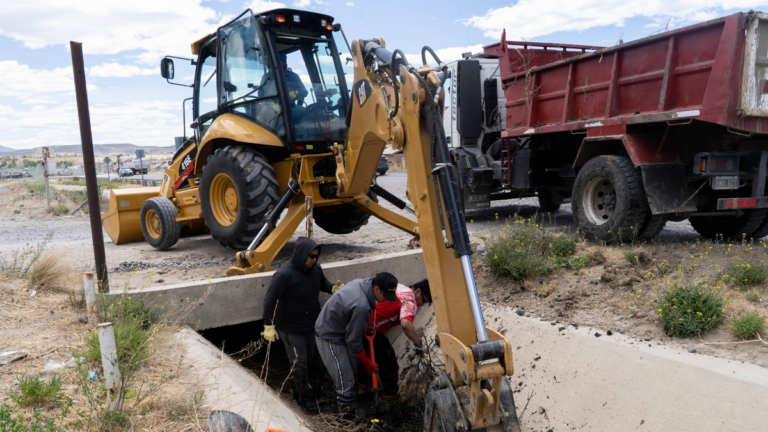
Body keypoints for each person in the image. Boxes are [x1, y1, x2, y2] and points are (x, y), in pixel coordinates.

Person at [262, 237, 341, 413]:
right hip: (291, 328)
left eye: (316, 257)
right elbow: (269, 300)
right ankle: (302, 398)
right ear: (301, 255)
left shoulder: (315, 269)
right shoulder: (284, 275)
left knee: (310, 359)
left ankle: (301, 387)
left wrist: (333, 288)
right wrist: (268, 324)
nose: (314, 260)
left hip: (310, 325)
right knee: (300, 363)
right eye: (311, 256)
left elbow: (323, 284)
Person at [314, 272, 399, 417]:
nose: (385, 300)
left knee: (348, 374)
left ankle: (342, 408)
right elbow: (353, 341)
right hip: (329, 336)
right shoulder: (361, 306)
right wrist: (367, 363)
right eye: (385, 296)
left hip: (340, 330)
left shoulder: (362, 283)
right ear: (377, 289)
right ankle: (344, 421)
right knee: (346, 382)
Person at [358, 279, 432, 403]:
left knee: (367, 358)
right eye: (424, 300)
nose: (422, 304)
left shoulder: (400, 287)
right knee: (389, 362)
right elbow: (406, 324)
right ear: (417, 291)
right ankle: (391, 399)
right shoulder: (410, 301)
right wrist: (420, 344)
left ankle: (362, 390)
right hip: (372, 329)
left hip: (361, 321)